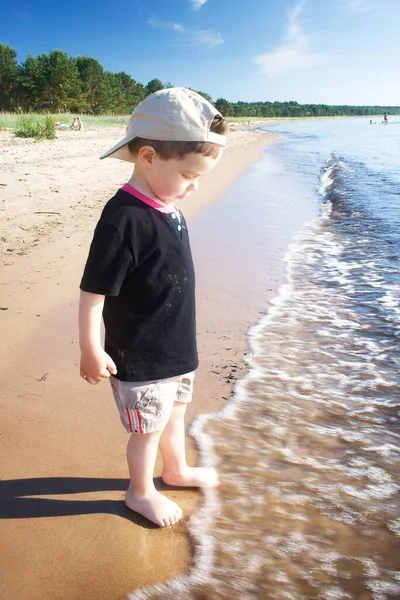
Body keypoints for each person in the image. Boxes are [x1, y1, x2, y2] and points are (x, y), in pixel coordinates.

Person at [79, 88, 227, 527]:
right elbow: (93, 291)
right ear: (147, 157)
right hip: (141, 354)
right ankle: (139, 492)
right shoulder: (121, 218)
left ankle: (175, 470)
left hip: (176, 346)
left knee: (175, 412)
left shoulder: (168, 204)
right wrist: (91, 348)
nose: (193, 185)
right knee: (147, 428)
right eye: (187, 174)